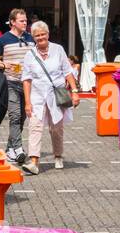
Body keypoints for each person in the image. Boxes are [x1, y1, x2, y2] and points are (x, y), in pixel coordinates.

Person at [20, 21, 78, 175]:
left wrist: (75, 91)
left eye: (42, 34)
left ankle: (58, 155)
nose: (40, 38)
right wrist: (27, 103)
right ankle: (34, 162)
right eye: (37, 36)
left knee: (56, 129)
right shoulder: (29, 55)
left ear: (48, 34)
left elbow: (67, 72)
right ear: (33, 38)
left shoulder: (58, 50)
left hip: (56, 95)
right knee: (34, 127)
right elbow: (26, 79)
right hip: (37, 96)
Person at [0, 9, 31, 164]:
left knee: (21, 118)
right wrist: (2, 64)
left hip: (27, 84)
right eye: (22, 21)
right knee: (14, 116)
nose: (25, 23)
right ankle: (19, 149)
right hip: (11, 82)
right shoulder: (3, 39)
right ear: (13, 22)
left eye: (26, 20)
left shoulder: (30, 38)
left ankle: (10, 149)